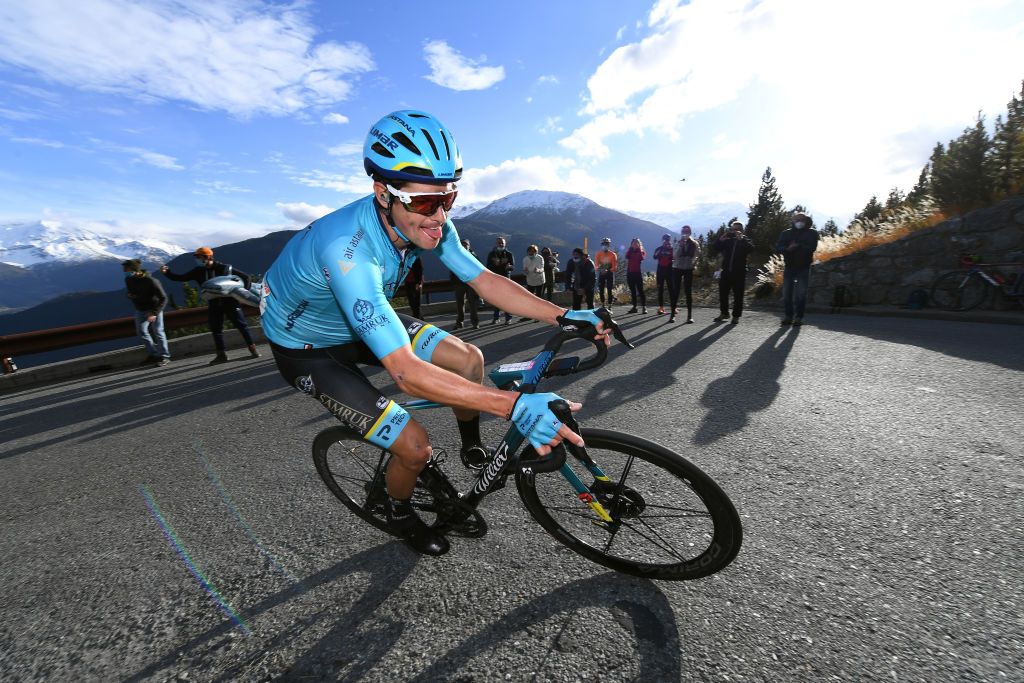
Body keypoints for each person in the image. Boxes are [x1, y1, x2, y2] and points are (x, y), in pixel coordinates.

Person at [259, 109, 613, 556]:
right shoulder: (346, 250)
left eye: (450, 199)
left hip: (360, 318)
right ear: (382, 193)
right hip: (309, 349)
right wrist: (513, 405)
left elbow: (483, 280)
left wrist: (564, 316)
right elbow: (406, 373)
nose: (440, 217)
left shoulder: (429, 219)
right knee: (414, 445)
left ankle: (469, 446)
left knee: (469, 360)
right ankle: (397, 509)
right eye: (426, 203)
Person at [161, 247, 261, 363]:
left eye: (199, 257)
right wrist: (167, 273)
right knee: (216, 329)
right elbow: (181, 278)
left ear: (207, 257)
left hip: (230, 302)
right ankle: (221, 355)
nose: (197, 260)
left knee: (241, 326)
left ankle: (253, 349)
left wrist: (244, 292)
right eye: (197, 257)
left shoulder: (224, 268)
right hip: (214, 303)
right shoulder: (198, 271)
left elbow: (246, 277)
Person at [122, 259, 170, 366]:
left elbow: (164, 298)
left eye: (126, 269)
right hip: (141, 309)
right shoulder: (128, 280)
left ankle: (164, 356)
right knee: (142, 332)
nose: (124, 271)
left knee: (158, 331)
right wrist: (130, 296)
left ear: (133, 269)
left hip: (154, 308)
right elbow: (131, 293)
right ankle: (154, 355)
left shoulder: (151, 281)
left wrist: (154, 313)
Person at [775, 212, 820, 326]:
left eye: (801, 220)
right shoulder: (786, 233)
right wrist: (788, 249)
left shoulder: (812, 233)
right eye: (796, 220)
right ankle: (788, 316)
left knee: (801, 294)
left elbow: (812, 248)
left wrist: (798, 245)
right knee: (786, 293)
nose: (799, 222)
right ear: (793, 221)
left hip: (804, 267)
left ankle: (799, 317)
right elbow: (779, 247)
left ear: (806, 221)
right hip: (789, 266)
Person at [713, 221, 754, 324]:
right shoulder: (728, 240)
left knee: (738, 296)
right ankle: (724, 313)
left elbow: (751, 249)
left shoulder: (745, 240)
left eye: (737, 229)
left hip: (739, 272)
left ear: (742, 230)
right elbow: (715, 248)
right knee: (723, 294)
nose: (735, 231)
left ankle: (736, 316)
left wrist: (742, 239)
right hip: (726, 271)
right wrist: (720, 240)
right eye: (733, 229)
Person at [669, 225, 700, 324]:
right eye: (683, 232)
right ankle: (672, 315)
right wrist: (681, 246)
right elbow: (675, 256)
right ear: (681, 233)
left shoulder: (694, 243)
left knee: (688, 292)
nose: (685, 233)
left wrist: (694, 263)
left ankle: (689, 316)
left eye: (687, 231)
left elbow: (697, 254)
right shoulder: (677, 243)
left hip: (688, 269)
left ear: (690, 233)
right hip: (677, 268)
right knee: (675, 292)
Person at [451, 239, 480, 329]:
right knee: (460, 304)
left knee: (472, 304)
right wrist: (454, 282)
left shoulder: (474, 256)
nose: (464, 246)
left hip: (471, 284)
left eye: (466, 244)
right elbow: (452, 269)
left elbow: (479, 269)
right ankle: (460, 322)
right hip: (459, 284)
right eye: (462, 244)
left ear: (469, 246)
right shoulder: (455, 256)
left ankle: (475, 323)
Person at [486, 237, 514, 325]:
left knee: (507, 299)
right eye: (499, 243)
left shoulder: (509, 254)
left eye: (502, 243)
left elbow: (512, 266)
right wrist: (495, 265)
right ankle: (496, 318)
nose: (500, 244)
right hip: (495, 279)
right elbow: (488, 267)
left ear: (505, 244)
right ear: (496, 244)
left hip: (506, 279)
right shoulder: (491, 254)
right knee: (496, 299)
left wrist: (509, 267)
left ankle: (508, 318)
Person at [653, 233, 674, 314]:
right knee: (660, 290)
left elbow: (676, 257)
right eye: (665, 240)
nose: (666, 241)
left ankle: (673, 308)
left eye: (668, 240)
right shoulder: (659, 248)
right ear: (662, 240)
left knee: (671, 290)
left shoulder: (672, 249)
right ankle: (661, 308)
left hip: (670, 272)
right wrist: (661, 252)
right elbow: (654, 257)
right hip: (660, 272)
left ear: (670, 240)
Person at [625, 238, 647, 314]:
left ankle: (644, 307)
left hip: (637, 273)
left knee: (641, 291)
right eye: (633, 243)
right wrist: (631, 249)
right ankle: (634, 307)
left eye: (636, 243)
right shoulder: (630, 251)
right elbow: (626, 256)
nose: (635, 244)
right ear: (631, 244)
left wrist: (639, 249)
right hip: (630, 273)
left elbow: (642, 258)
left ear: (639, 244)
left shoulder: (642, 251)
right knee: (633, 291)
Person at [594, 237, 617, 309]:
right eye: (604, 244)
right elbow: (596, 265)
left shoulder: (613, 254)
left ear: (609, 245)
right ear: (601, 245)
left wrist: (608, 270)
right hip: (601, 273)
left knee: (609, 290)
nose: (605, 245)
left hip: (609, 273)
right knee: (601, 290)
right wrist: (600, 270)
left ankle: (609, 306)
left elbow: (614, 266)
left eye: (607, 244)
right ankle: (603, 305)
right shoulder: (598, 254)